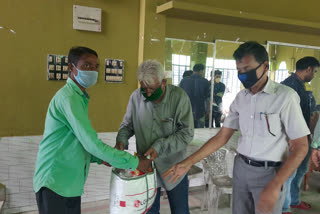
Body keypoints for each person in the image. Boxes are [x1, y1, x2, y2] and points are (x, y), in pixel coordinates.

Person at [163, 41, 310, 214]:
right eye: (239, 71)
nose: (243, 75)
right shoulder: (241, 98)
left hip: (270, 173)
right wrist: (188, 162)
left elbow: (301, 146)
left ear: (265, 66)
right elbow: (221, 137)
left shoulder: (285, 97)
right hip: (241, 169)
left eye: (247, 69)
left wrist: (276, 184)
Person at [33, 47, 151, 214]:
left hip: (69, 184)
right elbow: (90, 143)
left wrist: (100, 158)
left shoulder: (79, 97)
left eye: (95, 66)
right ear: (71, 68)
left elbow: (78, 141)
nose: (92, 71)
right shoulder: (69, 98)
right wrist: (136, 162)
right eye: (86, 65)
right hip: (55, 181)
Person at [116, 60, 194, 214]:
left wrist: (160, 146)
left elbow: (187, 133)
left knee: (180, 211)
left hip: (174, 167)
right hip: (146, 167)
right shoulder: (136, 97)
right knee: (149, 211)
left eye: (152, 88)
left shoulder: (179, 98)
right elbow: (127, 125)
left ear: (163, 82)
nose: (148, 93)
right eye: (144, 88)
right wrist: (121, 140)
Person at [280, 56, 319, 214]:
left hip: (305, 136)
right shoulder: (288, 86)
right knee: (289, 172)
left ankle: (294, 200)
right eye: (315, 71)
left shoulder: (303, 86)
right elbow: (282, 114)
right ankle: (284, 207)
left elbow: (308, 109)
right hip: (293, 138)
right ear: (308, 69)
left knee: (302, 169)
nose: (315, 75)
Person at [179, 64, 210, 128]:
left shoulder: (184, 81)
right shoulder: (205, 82)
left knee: (187, 131)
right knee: (199, 132)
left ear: (193, 70)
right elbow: (208, 98)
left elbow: (179, 97)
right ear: (201, 71)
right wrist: (208, 110)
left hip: (186, 111)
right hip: (200, 111)